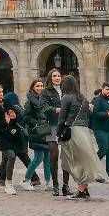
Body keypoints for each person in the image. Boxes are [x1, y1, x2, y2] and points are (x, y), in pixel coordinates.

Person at [56, 74, 106, 199]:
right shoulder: (83, 98)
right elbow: (88, 115)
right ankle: (84, 188)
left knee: (75, 160)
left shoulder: (66, 97)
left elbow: (62, 119)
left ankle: (81, 190)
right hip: (83, 131)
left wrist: (58, 134)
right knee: (83, 159)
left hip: (73, 131)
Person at [0, 84, 25, 195]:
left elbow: (13, 113)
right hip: (0, 136)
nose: (1, 94)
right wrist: (5, 122)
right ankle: (9, 184)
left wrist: (13, 117)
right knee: (11, 156)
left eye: (2, 92)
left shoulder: (5, 102)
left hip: (10, 134)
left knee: (5, 161)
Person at [20, 79, 52, 190]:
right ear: (33, 87)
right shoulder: (30, 101)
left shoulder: (45, 99)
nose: (40, 88)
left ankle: (48, 183)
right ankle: (26, 180)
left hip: (47, 131)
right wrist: (37, 124)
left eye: (41, 86)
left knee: (48, 159)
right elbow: (26, 117)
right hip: (37, 132)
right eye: (37, 86)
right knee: (38, 158)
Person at [41, 69, 63, 198]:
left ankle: (65, 185)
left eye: (59, 76)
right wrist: (56, 109)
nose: (57, 78)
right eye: (54, 76)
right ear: (50, 78)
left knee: (66, 156)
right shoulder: (45, 91)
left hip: (65, 125)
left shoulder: (65, 90)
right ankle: (55, 185)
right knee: (54, 155)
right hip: (52, 125)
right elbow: (43, 107)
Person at [91, 82, 109, 183]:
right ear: (102, 89)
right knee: (103, 149)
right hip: (100, 129)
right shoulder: (96, 100)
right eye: (107, 89)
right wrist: (106, 114)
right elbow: (94, 114)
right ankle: (92, 167)